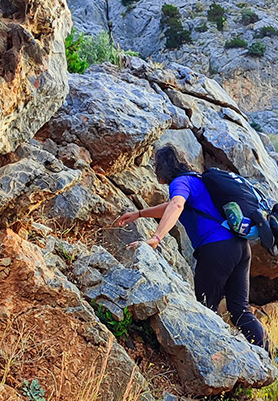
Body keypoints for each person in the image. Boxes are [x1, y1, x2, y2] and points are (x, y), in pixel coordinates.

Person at [114, 144, 269, 351]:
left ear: (164, 166)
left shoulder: (179, 182)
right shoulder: (196, 180)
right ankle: (271, 356)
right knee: (240, 309)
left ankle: (212, 357)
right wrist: (140, 214)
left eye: (156, 164)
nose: (153, 167)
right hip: (239, 247)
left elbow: (177, 205)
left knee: (206, 308)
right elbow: (174, 206)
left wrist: (156, 238)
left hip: (216, 248)